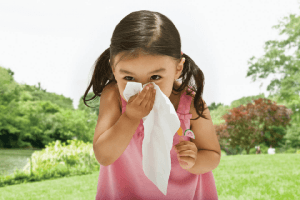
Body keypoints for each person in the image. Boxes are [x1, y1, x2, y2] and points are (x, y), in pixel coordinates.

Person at [84, 10, 220, 200]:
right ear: (114, 70)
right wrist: (130, 117)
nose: (142, 88)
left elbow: (213, 154)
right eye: (128, 77)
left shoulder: (190, 102)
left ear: (177, 69)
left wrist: (196, 160)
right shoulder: (114, 96)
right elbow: (104, 156)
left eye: (155, 77)